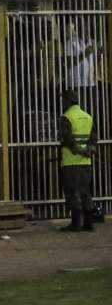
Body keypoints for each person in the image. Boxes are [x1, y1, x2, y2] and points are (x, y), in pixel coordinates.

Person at [58, 89, 96, 233]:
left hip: (71, 162)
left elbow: (67, 139)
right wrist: (89, 150)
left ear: (68, 101)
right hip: (86, 162)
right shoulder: (87, 116)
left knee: (72, 191)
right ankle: (89, 223)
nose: (62, 102)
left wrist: (79, 150)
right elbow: (93, 137)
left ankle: (75, 224)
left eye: (63, 100)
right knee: (85, 191)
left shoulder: (66, 117)